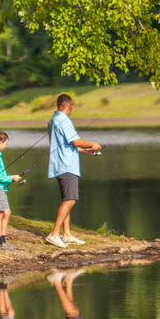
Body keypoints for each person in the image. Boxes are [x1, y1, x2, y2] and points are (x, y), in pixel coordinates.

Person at [46, 94, 101, 248]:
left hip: (60, 163)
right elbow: (76, 140)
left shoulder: (53, 120)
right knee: (70, 199)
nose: (72, 109)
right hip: (66, 165)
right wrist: (93, 144)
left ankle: (67, 234)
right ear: (68, 105)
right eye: (71, 107)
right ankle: (54, 234)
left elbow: (68, 144)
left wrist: (85, 150)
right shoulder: (63, 120)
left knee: (67, 199)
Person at [0, 131, 22, 250]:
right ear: (0, 143)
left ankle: (2, 240)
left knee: (6, 213)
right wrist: (12, 178)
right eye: (5, 144)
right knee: (1, 213)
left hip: (0, 188)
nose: (6, 146)